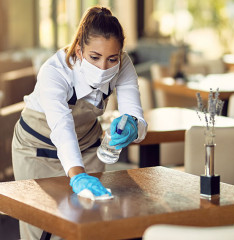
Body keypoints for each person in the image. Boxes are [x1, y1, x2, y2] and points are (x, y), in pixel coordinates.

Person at [11, 6, 147, 240]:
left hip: (87, 145)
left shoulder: (123, 64)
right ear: (79, 50)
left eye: (111, 58)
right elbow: (62, 128)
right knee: (42, 227)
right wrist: (77, 176)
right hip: (36, 148)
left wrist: (134, 125)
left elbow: (134, 113)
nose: (103, 67)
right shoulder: (54, 72)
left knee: (89, 222)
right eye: (94, 57)